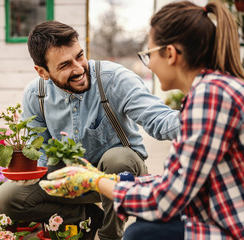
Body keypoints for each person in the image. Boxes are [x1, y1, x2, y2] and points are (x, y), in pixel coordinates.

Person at [39, 1, 244, 239]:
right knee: (142, 226)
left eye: (148, 54)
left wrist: (96, 182)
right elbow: (177, 182)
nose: (149, 64)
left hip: (232, 228)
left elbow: (166, 200)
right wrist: (114, 181)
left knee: (140, 233)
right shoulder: (214, 90)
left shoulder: (210, 98)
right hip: (224, 214)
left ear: (170, 54)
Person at [0, 20, 180, 240]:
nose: (78, 68)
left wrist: (200, 121)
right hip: (69, 178)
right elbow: (39, 153)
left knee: (117, 159)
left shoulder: (113, 79)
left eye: (79, 56)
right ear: (42, 72)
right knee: (7, 197)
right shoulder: (37, 94)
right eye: (64, 65)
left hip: (117, 175)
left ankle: (110, 235)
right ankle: (87, 217)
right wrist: (31, 174)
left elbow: (159, 119)